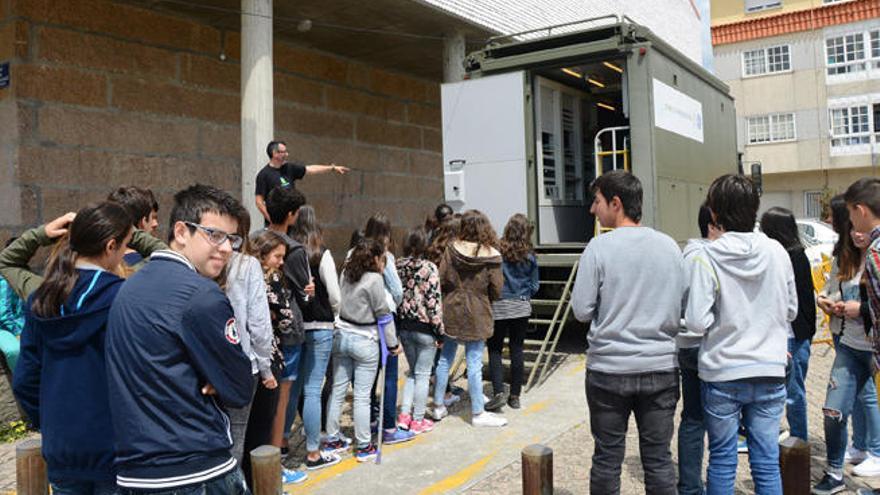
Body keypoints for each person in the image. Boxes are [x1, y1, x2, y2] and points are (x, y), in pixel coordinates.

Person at [105, 184, 254, 493]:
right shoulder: (201, 295)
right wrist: (213, 373)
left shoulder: (128, 287)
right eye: (214, 235)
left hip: (135, 469)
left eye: (233, 239)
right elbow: (239, 385)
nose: (226, 248)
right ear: (182, 231)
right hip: (195, 469)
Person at [570, 170, 683, 494]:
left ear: (615, 203)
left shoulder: (598, 248)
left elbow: (581, 310)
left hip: (609, 370)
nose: (593, 209)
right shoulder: (670, 247)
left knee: (607, 458)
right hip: (661, 367)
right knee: (659, 460)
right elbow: (682, 305)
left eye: (597, 201)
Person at [8, 204, 131, 495]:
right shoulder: (123, 296)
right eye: (125, 245)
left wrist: (51, 418)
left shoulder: (41, 298)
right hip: (115, 446)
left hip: (62, 446)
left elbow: (25, 379)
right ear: (111, 245)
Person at [686, 174, 796, 495]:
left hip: (722, 371)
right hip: (770, 369)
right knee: (766, 460)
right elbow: (790, 310)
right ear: (754, 208)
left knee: (722, 459)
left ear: (715, 213)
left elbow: (695, 321)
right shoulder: (777, 252)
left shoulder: (708, 255)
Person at [813, 196, 880, 494]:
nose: (854, 231)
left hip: (873, 348)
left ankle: (874, 452)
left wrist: (860, 310)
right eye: (850, 227)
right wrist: (831, 303)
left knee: (869, 402)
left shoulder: (876, 257)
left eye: (856, 224)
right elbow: (836, 289)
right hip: (849, 345)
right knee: (833, 409)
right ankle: (835, 472)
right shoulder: (846, 256)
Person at [325, 238, 400, 462]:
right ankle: (365, 444)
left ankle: (331, 439)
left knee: (338, 391)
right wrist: (393, 344)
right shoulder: (374, 279)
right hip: (365, 339)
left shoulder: (346, 273)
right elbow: (383, 314)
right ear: (376, 258)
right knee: (362, 396)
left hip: (342, 336)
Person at [219, 207, 278, 479]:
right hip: (243, 364)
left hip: (204, 366)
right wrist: (266, 369)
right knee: (236, 441)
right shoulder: (247, 265)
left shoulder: (193, 264)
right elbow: (259, 324)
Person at [434, 209, 507, 427]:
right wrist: (484, 298)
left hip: (452, 306)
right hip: (478, 309)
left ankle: (438, 405)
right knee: (474, 361)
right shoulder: (491, 254)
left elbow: (442, 277)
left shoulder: (451, 249)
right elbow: (497, 288)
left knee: (445, 358)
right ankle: (477, 412)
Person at [288, 205, 342, 470]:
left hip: (297, 327)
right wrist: (335, 313)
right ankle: (313, 452)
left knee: (294, 388)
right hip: (320, 325)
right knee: (312, 388)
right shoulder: (322, 254)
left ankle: (283, 443)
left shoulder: (288, 252)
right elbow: (334, 294)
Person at [263, 186, 314, 455]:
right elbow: (302, 292)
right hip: (287, 329)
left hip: (263, 333)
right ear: (292, 215)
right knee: (285, 394)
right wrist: (309, 292)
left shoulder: (255, 239)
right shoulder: (293, 249)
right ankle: (280, 445)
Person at [760, 206, 816, 443]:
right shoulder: (781, 255)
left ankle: (799, 440)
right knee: (782, 391)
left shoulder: (794, 257)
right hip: (786, 334)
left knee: (793, 393)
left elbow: (799, 301)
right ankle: (791, 436)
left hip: (793, 334)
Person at [677, 204, 719, 495]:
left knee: (693, 419)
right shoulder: (706, 257)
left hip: (687, 344)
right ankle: (706, 484)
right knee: (712, 421)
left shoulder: (687, 255)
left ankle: (690, 487)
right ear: (713, 225)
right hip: (705, 344)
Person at [361, 213, 413, 445]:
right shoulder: (385, 257)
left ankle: (371, 419)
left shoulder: (356, 253)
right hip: (384, 316)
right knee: (390, 373)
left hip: (361, 317)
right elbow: (398, 290)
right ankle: (390, 427)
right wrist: (393, 303)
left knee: (368, 373)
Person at [485, 213, 539, 412]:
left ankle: (499, 392)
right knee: (517, 349)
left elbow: (490, 279)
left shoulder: (497, 253)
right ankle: (515, 396)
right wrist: (523, 295)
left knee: (495, 349)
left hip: (499, 305)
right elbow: (535, 286)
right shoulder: (530, 257)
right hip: (521, 306)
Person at [395, 227, 444, 434]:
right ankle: (417, 419)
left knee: (413, 373)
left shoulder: (398, 266)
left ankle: (404, 415)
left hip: (405, 326)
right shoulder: (429, 268)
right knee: (423, 375)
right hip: (425, 328)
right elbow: (433, 302)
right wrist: (439, 331)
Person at [254, 141, 349, 226]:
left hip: (292, 222)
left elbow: (310, 169)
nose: (287, 154)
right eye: (284, 152)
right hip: (276, 225)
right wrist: (271, 220)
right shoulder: (263, 175)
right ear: (275, 153)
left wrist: (332, 168)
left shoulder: (289, 168)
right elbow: (259, 202)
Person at [107, 186, 159, 270]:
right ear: (143, 221)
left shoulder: (100, 261)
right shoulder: (150, 265)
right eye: (153, 218)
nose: (155, 224)